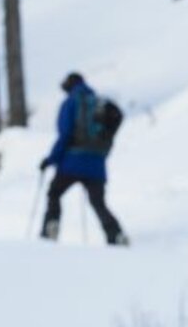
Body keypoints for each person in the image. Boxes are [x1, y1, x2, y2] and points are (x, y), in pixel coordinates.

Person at [39, 73, 129, 246]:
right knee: (98, 202)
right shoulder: (98, 102)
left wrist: (50, 160)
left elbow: (64, 135)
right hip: (96, 164)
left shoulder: (70, 102)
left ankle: (52, 226)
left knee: (54, 193)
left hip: (72, 162)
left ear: (69, 85)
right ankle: (116, 235)